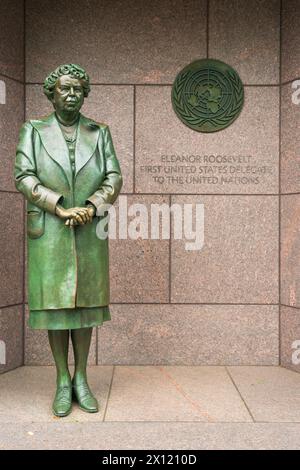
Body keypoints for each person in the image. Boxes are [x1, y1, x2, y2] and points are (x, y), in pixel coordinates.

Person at [14, 64, 123, 417]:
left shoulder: (99, 131)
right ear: (52, 93)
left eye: (78, 89)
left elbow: (113, 176)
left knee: (86, 305)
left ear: (85, 93)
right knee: (57, 307)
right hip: (50, 228)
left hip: (90, 229)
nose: (72, 94)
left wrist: (93, 206)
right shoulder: (34, 130)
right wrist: (58, 206)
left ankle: (81, 378)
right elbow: (23, 176)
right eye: (65, 89)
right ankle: (62, 379)